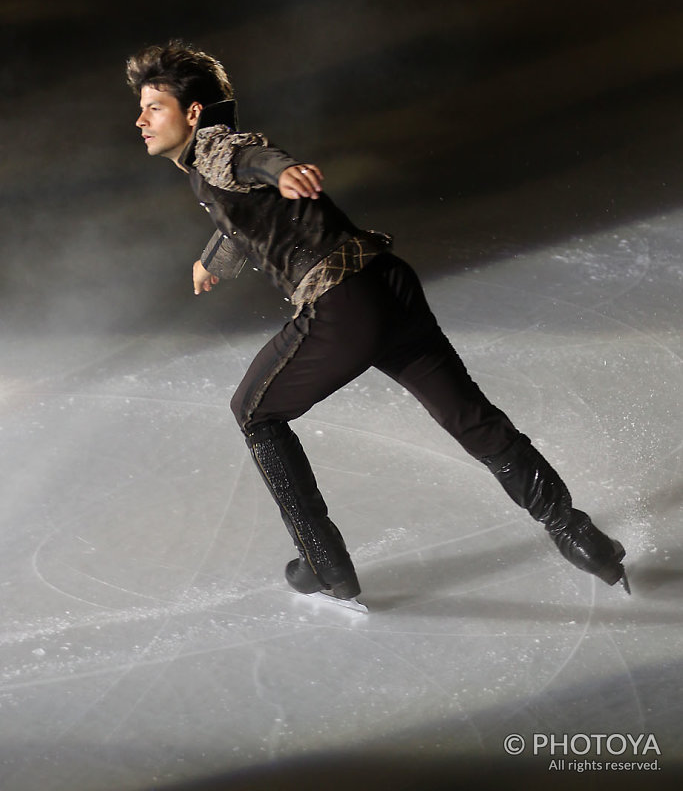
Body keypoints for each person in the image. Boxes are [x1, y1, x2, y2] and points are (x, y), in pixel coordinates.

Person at [127, 39, 629, 602]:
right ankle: (579, 536)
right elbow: (243, 215)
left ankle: (325, 565)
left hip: (343, 304)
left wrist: (286, 169)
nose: (140, 120)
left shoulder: (218, 149)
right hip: (390, 287)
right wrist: (211, 260)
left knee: (254, 412)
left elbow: (252, 160)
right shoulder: (206, 169)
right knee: (471, 418)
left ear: (192, 114)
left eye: (153, 107)